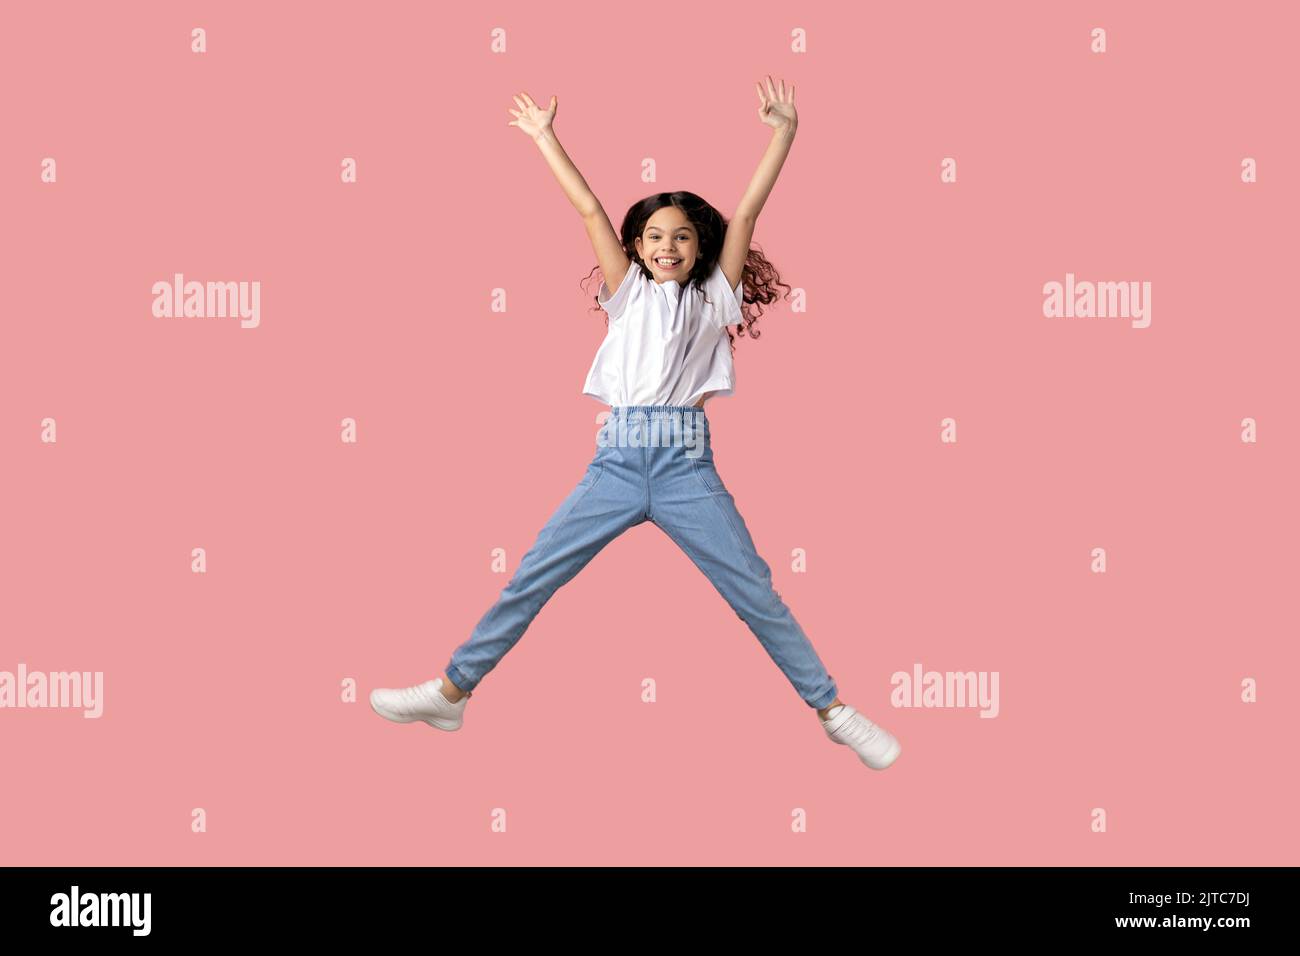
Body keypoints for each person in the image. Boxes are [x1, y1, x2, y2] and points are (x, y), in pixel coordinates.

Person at [370, 76, 900, 770]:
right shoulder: (627, 296)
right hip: (618, 462)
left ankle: (833, 709)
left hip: (685, 467)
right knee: (532, 573)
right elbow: (589, 207)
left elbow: (744, 217)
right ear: (637, 246)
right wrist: (544, 138)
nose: (668, 246)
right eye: (654, 236)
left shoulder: (714, 300)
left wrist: (784, 133)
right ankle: (451, 692)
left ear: (698, 244)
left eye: (682, 236)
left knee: (754, 591)